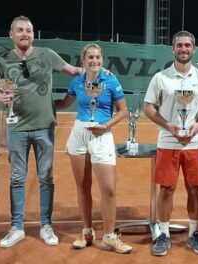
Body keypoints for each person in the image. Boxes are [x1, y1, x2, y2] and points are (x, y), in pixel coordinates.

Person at [0, 15, 83, 248]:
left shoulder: (47, 54)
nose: (25, 34)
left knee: (46, 178)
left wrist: (99, 71)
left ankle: (46, 225)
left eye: (29, 30)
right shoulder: (3, 61)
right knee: (16, 179)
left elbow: (74, 71)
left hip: (44, 127)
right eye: (20, 30)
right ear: (11, 34)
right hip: (16, 128)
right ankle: (16, 227)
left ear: (33, 34)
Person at [54, 43, 132, 254]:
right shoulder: (77, 81)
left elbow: (123, 111)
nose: (94, 61)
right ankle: (86, 231)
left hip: (102, 134)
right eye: (90, 57)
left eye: (98, 57)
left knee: (108, 189)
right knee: (82, 186)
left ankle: (108, 237)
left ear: (102, 59)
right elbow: (64, 103)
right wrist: (43, 104)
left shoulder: (111, 80)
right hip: (79, 133)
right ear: (83, 60)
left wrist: (106, 126)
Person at [143, 30, 198, 256]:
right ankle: (163, 234)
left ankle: (193, 233)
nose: (183, 49)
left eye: (187, 45)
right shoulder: (161, 77)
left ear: (194, 49)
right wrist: (169, 126)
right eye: (179, 45)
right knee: (167, 189)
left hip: (193, 143)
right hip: (168, 141)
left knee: (195, 189)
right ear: (173, 49)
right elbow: (149, 108)